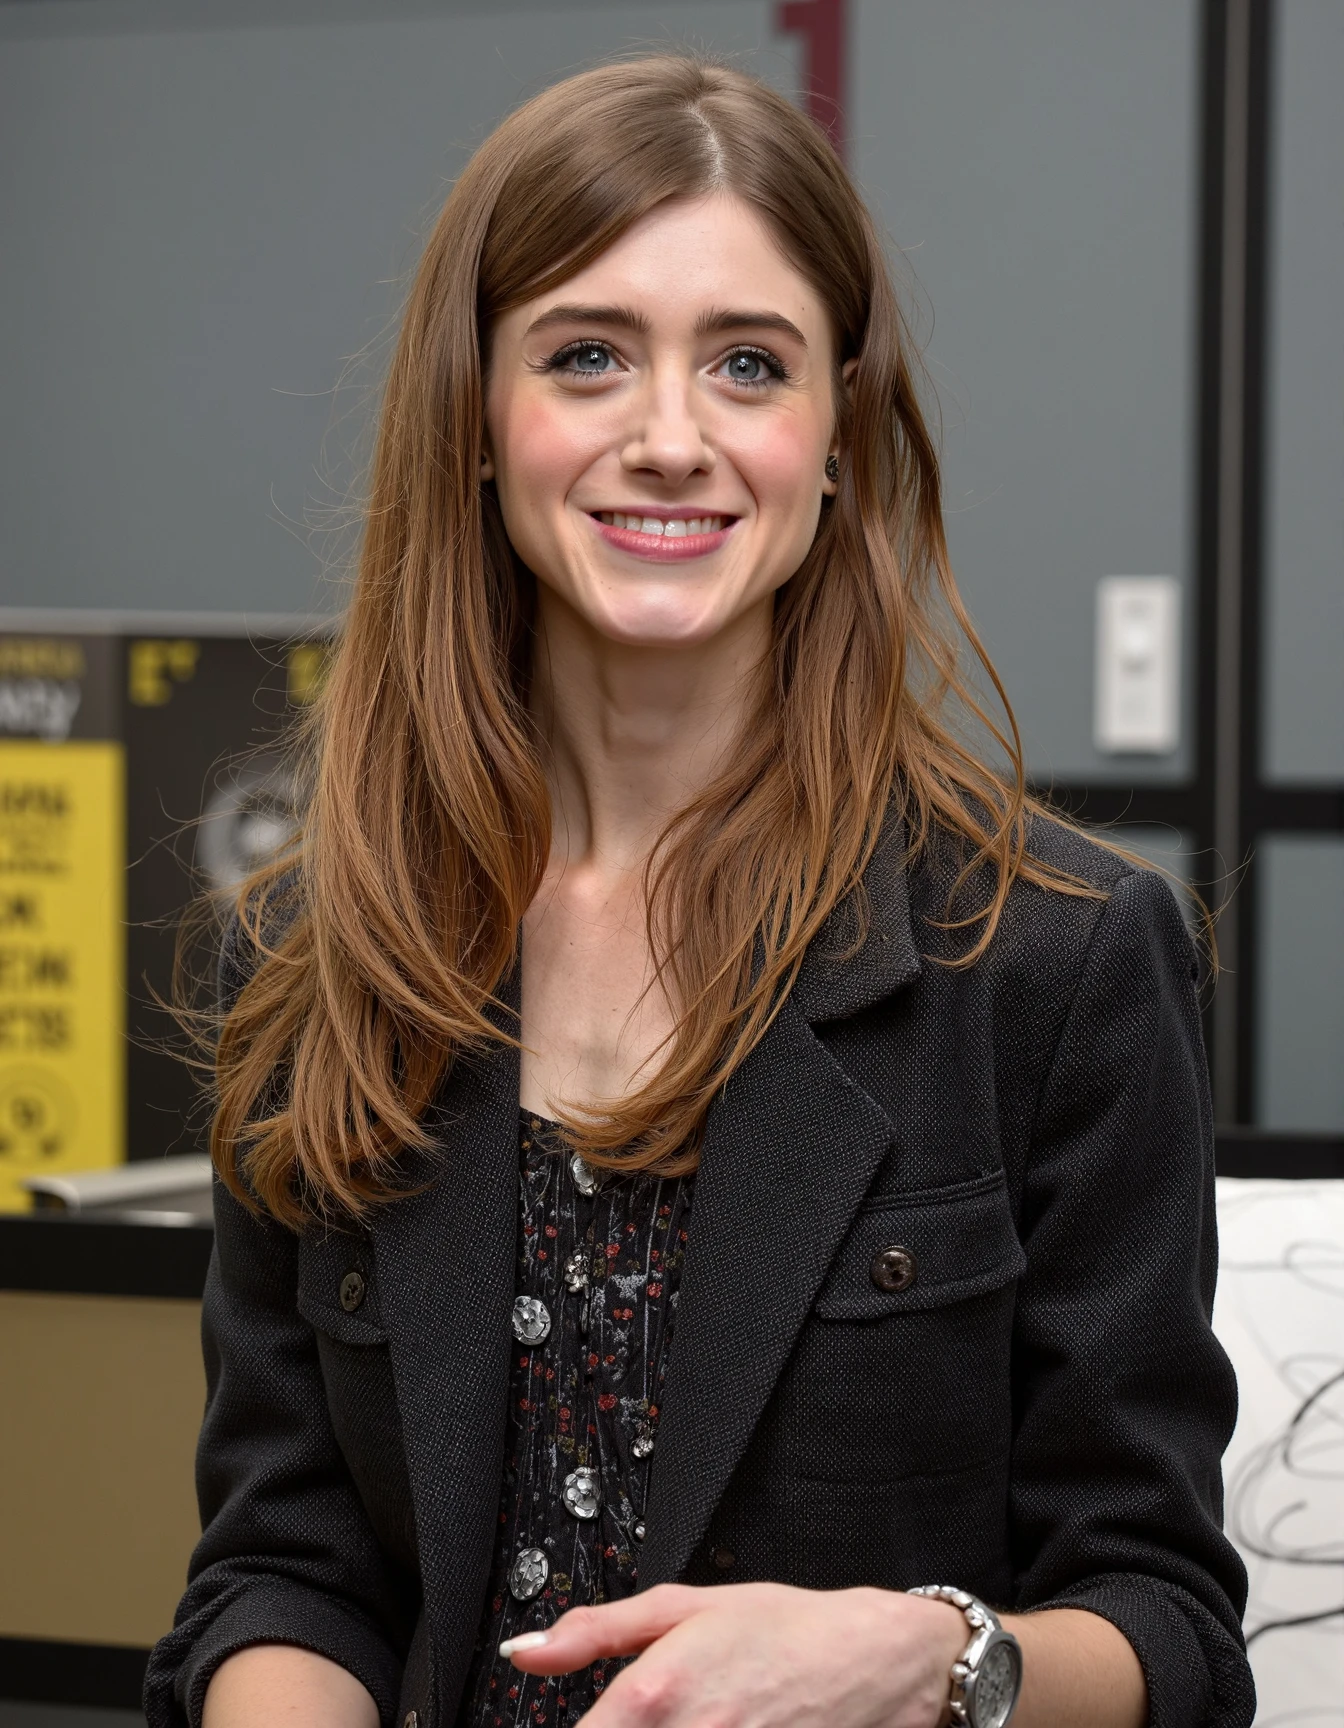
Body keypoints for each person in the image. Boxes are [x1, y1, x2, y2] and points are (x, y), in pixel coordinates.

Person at [144, 54, 1254, 1728]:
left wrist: (927, 1655)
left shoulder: (1057, 961)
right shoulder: (308, 960)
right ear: (476, 420)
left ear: (834, 440)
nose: (671, 440)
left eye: (750, 364)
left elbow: (1167, 1627)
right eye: (587, 357)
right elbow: (284, 1568)